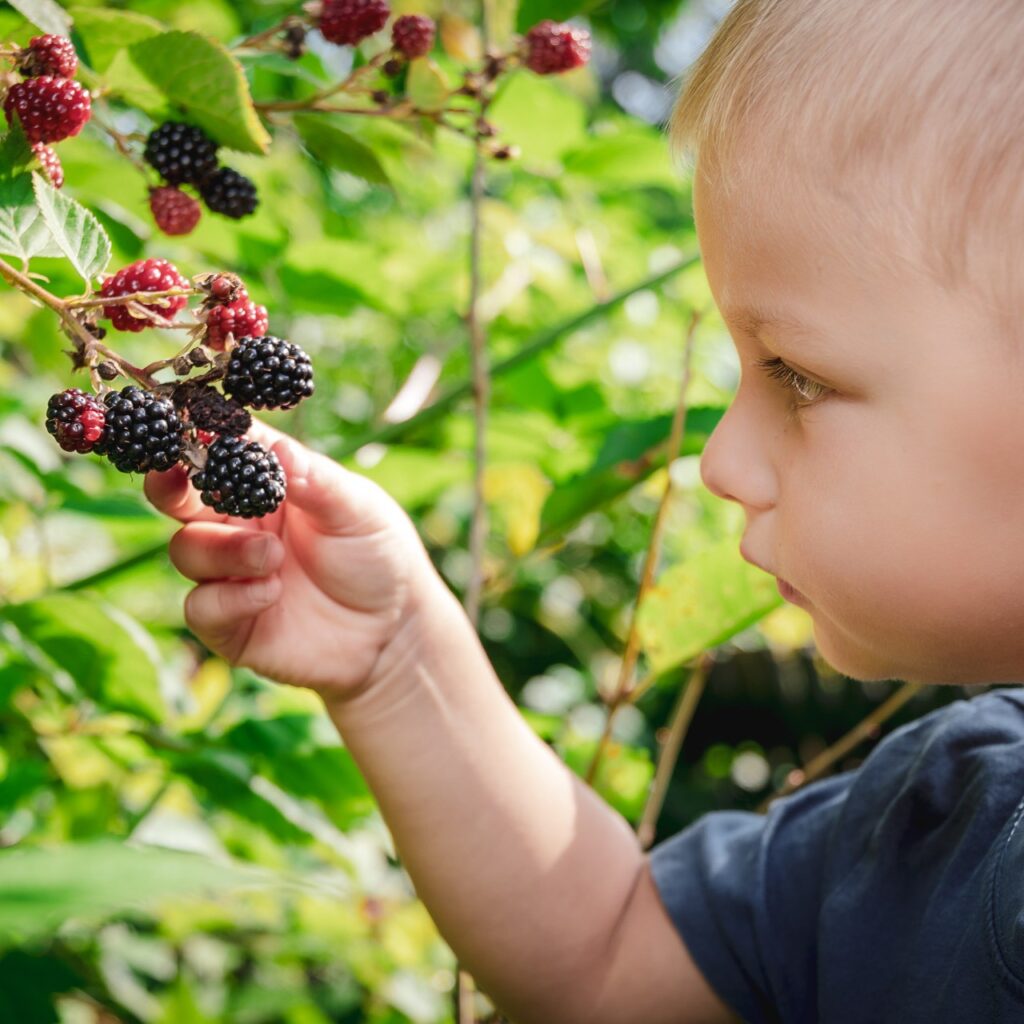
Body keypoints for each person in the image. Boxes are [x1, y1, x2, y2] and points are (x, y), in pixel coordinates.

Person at [145, 0, 1024, 1019]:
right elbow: (605, 957)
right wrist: (398, 659)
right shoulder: (934, 829)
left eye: (797, 374)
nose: (721, 460)